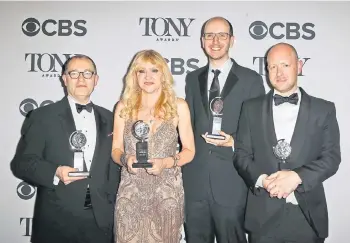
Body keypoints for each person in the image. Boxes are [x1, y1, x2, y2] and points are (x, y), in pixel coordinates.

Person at [233, 42, 341, 243]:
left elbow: (331, 158)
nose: (278, 72)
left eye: (285, 65)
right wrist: (263, 180)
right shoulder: (250, 108)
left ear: (299, 66)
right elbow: (241, 155)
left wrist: (297, 177)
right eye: (272, 67)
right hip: (262, 217)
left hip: (306, 216)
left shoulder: (323, 109)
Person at [11, 55, 120, 243]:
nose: (81, 79)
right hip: (57, 221)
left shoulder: (112, 119)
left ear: (96, 79)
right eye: (74, 73)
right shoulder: (42, 116)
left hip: (102, 223)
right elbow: (22, 163)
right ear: (64, 78)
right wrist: (55, 172)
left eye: (87, 73)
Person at [183, 16, 265, 243]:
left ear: (232, 40)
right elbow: (187, 126)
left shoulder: (251, 79)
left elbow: (260, 130)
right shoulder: (192, 78)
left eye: (222, 35)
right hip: (194, 185)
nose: (215, 41)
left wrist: (233, 142)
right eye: (209, 35)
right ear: (202, 41)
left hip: (232, 183)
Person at [111, 49, 195, 243]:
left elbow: (189, 151)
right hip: (130, 195)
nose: (148, 76)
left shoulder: (178, 106)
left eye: (154, 70)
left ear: (163, 75)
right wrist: (126, 159)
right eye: (141, 71)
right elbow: (116, 149)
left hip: (166, 196)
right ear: (134, 75)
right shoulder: (124, 107)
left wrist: (166, 162)